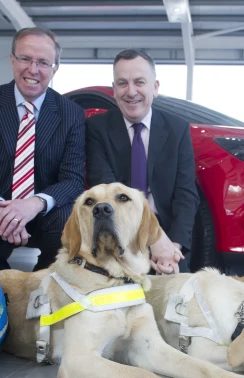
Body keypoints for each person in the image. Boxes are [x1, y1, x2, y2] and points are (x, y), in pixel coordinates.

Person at [0, 27, 85, 272]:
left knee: (69, 219)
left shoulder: (71, 113)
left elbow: (73, 179)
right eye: (25, 58)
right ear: (12, 60)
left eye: (43, 62)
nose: (33, 69)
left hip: (44, 211)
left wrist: (32, 204)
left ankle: (43, 288)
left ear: (55, 68)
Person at [85, 49, 198, 275]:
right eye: (122, 83)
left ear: (155, 87)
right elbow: (107, 191)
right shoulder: (96, 128)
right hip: (117, 229)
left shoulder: (177, 129)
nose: (131, 91)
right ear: (114, 89)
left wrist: (172, 248)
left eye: (139, 82)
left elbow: (186, 195)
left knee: (181, 296)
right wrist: (153, 237)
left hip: (168, 235)